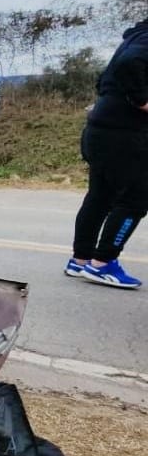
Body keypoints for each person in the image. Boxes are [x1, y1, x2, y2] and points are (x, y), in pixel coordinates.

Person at [66, 18, 148, 289]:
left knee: (100, 196)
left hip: (101, 129)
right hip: (125, 135)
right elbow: (129, 66)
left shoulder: (134, 38)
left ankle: (81, 259)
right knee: (135, 199)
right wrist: (142, 101)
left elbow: (105, 78)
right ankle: (103, 264)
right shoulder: (141, 42)